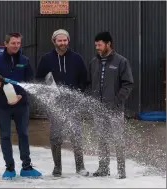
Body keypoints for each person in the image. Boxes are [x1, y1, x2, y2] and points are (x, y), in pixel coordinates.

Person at [0, 33, 42, 179]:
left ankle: (26, 167)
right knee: (5, 135)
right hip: (3, 105)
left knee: (24, 134)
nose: (16, 46)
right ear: (6, 43)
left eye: (18, 43)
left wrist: (21, 95)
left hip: (21, 104)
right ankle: (9, 168)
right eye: (13, 43)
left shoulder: (24, 61)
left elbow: (30, 82)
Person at [36, 29, 89, 177]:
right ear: (54, 42)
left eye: (65, 40)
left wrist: (77, 95)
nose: (62, 43)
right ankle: (57, 167)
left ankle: (80, 167)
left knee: (76, 135)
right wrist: (48, 94)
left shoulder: (77, 58)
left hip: (73, 104)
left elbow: (84, 79)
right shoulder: (46, 59)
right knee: (55, 136)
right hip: (55, 105)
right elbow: (39, 79)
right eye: (59, 40)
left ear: (68, 41)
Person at [88, 31, 134, 179]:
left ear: (109, 44)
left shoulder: (121, 62)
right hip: (98, 109)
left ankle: (121, 171)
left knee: (118, 140)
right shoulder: (93, 62)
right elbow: (90, 84)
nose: (97, 48)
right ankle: (103, 168)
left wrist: (116, 102)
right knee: (102, 140)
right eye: (96, 45)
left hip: (114, 109)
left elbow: (128, 84)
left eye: (100, 45)